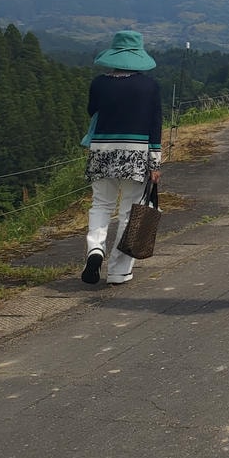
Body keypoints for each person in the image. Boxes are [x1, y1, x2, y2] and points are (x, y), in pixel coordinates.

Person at [82, 30, 163, 286]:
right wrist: (155, 163)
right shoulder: (149, 87)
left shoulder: (99, 83)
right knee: (130, 211)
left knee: (101, 204)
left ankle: (95, 249)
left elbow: (91, 110)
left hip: (101, 151)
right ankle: (118, 271)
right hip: (136, 154)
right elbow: (155, 126)